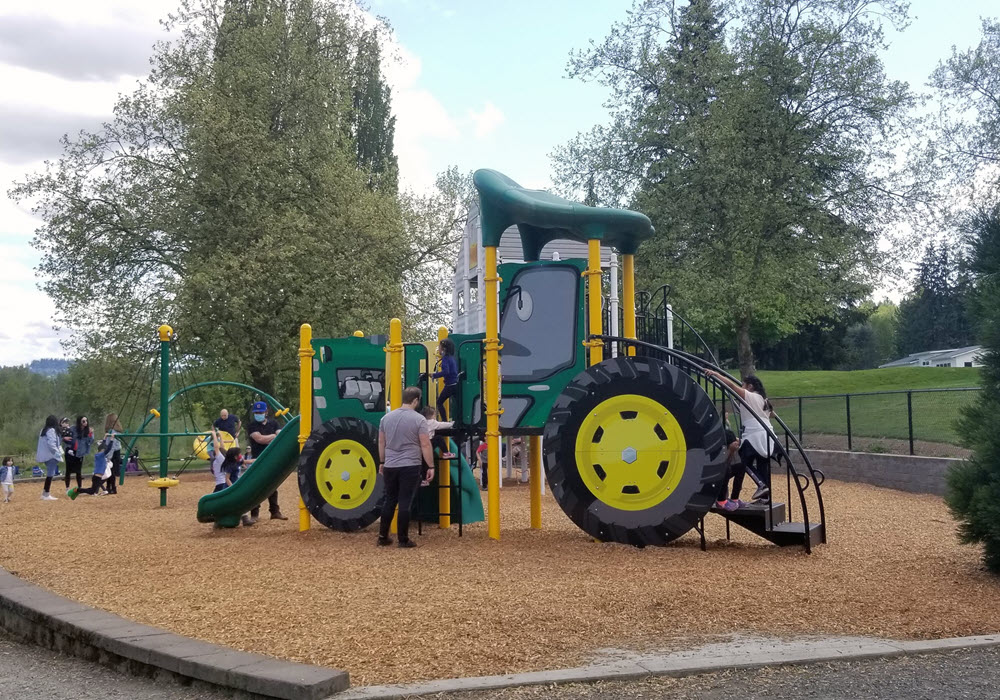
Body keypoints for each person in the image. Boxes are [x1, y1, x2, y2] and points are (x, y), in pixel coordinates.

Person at [377, 386, 435, 548]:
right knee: (405, 502)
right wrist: (430, 466)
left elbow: (381, 442)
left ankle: (382, 536)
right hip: (410, 464)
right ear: (415, 400)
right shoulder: (419, 420)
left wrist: (382, 462)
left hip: (390, 465)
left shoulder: (386, 418)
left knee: (389, 500)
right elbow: (425, 444)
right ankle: (403, 539)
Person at [705, 370, 771, 502]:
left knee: (743, 461)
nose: (742, 387)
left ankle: (760, 484)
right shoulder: (763, 400)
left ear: (750, 386)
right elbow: (772, 414)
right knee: (762, 463)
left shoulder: (750, 396)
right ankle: (766, 497)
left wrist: (716, 374)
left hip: (754, 433)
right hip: (767, 433)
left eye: (743, 385)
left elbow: (731, 386)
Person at [246, 401, 287, 522]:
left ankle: (275, 512)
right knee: (256, 485)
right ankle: (254, 514)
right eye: (256, 412)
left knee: (272, 485)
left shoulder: (274, 423)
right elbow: (259, 439)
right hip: (257, 459)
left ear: (266, 412)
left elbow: (281, 436)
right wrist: (273, 436)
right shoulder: (252, 426)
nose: (258, 414)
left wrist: (271, 437)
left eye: (260, 412)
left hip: (272, 458)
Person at [429, 338, 459, 422]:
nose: (438, 349)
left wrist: (434, 375)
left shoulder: (445, 358)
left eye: (439, 347)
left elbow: (446, 371)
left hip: (450, 385)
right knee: (458, 403)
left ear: (444, 349)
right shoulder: (452, 358)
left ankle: (444, 421)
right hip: (455, 384)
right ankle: (459, 421)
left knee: (439, 402)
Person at [36, 415, 63, 501]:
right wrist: (57, 453)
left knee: (50, 473)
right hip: (51, 455)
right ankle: (46, 494)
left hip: (46, 455)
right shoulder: (51, 431)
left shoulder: (44, 430)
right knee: (50, 474)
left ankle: (45, 493)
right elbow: (52, 444)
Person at [65, 416, 94, 491]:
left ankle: (80, 488)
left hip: (80, 452)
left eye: (86, 421)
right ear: (79, 422)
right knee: (68, 470)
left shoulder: (88, 431)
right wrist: (64, 438)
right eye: (83, 421)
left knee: (78, 471)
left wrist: (90, 434)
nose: (85, 423)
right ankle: (67, 487)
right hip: (70, 451)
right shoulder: (73, 429)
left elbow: (90, 442)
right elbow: (65, 436)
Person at [104, 414, 123, 494]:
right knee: (112, 471)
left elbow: (111, 445)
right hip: (117, 452)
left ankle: (111, 487)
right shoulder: (117, 432)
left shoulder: (112, 432)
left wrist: (108, 457)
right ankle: (110, 487)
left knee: (110, 471)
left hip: (112, 453)